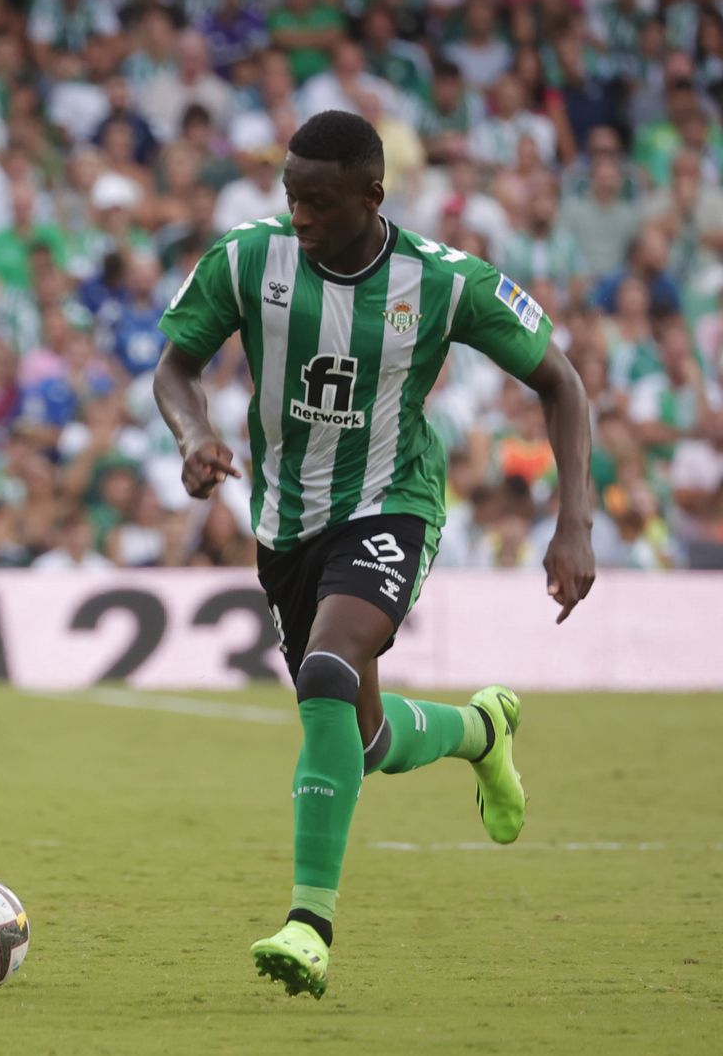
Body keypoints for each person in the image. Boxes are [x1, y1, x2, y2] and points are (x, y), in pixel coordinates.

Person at [153, 110, 595, 998]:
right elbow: (175, 366)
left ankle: (309, 923)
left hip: (393, 504)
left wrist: (573, 518)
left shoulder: (442, 281)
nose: (300, 216)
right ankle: (481, 731)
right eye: (290, 197)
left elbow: (562, 382)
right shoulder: (248, 259)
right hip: (284, 526)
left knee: (327, 665)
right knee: (359, 740)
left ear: (371, 196)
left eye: (317, 201)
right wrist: (192, 434)